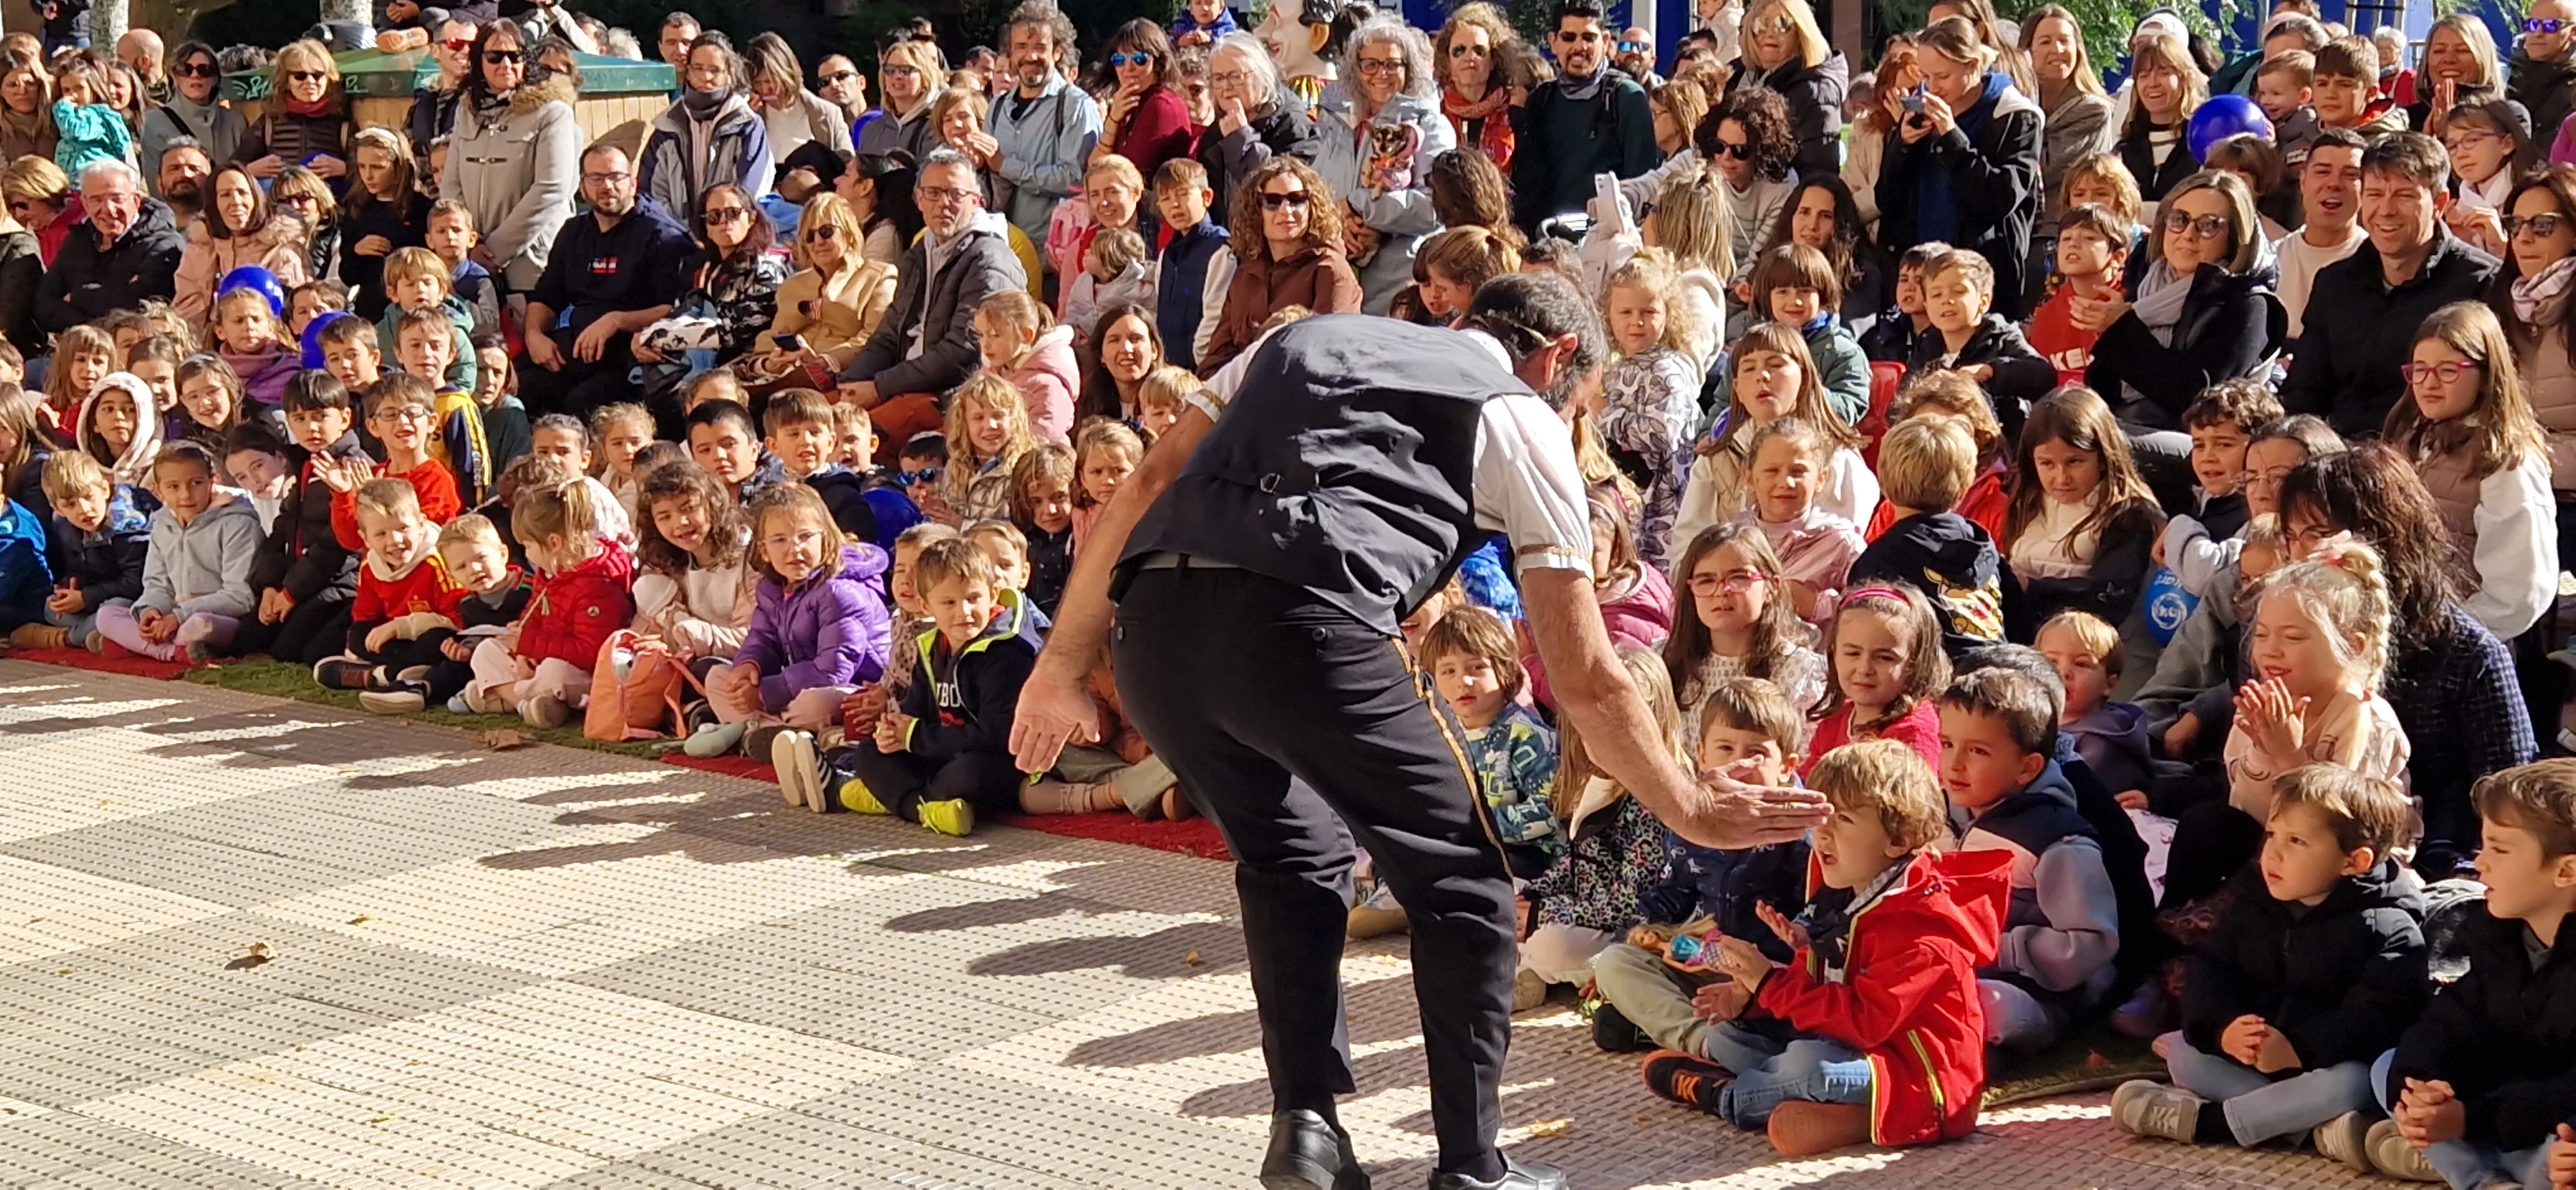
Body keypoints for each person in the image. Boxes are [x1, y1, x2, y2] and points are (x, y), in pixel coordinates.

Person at [1007, 272, 1833, 1190]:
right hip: (1306, 623)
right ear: (1558, 360)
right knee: (1466, 888)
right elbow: (1587, 679)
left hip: (1153, 630)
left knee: (1294, 858)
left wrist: (1057, 666)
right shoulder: (1519, 415)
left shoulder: (1299, 340)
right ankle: (1473, 1168)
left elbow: (1148, 483)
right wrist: (1690, 808)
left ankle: (1307, 1130)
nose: (1576, 420)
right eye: (1584, 402)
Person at [1638, 738, 2012, 1156]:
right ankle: (1819, 1108)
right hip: (1844, 1046)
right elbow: (1816, 985)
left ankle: (1730, 1096)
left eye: (1844, 819)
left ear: (1898, 838)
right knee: (1730, 1036)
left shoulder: (1922, 930)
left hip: (1915, 1080)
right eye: (1822, 816)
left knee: (1808, 1065)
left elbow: (1865, 1022)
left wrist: (1770, 985)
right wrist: (1753, 997)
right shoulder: (1844, 894)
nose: (1824, 832)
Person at [2109, 765, 2424, 1158]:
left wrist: (2298, 1049)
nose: (2273, 852)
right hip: (2257, 1058)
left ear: (2354, 861)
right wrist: (2225, 1029)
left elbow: (2376, 1020)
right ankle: (2315, 1129)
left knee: (2354, 1083)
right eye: (2273, 834)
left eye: (2297, 841)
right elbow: (2212, 970)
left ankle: (2211, 1123)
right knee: (2186, 1056)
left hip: (2325, 1064)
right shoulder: (2253, 900)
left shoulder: (2389, 927)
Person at [2280, 444, 2535, 876]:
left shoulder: (2469, 654)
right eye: (2291, 537)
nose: (2301, 556)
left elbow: (2508, 791)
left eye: (2318, 535)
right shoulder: (2280, 634)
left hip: (2429, 855)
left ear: (2382, 536)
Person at [2368, 759, 2576, 1186]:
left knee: (2561, 1159)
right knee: (2388, 1067)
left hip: (2548, 1119)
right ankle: (2483, 1171)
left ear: (2566, 870)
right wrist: (2423, 1090)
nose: (2480, 865)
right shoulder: (2492, 933)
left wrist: (2471, 1118)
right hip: (2497, 1104)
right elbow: (2447, 1023)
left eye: (2500, 850)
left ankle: (2461, 1164)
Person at [2282, 133, 2503, 438]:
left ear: (2439, 203)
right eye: (2374, 195)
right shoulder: (2335, 283)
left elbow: (2490, 402)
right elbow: (2304, 394)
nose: (2386, 210)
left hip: (2434, 451)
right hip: (2337, 451)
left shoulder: (2481, 282)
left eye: (2404, 195)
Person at [835, 148, 1025, 461]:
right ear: (918, 199)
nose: (943, 203)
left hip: (951, 396)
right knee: (817, 415)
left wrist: (880, 387)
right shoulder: (919, 254)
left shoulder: (989, 259)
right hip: (901, 382)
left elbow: (964, 352)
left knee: (852, 441)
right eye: (933, 193)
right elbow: (889, 334)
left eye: (955, 194)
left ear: (977, 201)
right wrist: (851, 385)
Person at [2383, 301, 2557, 641]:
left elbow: (2519, 591)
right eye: (2420, 369)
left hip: (2460, 644)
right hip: (2408, 635)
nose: (2429, 383)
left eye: (2448, 371)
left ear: (2486, 376)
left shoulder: (2506, 463)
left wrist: (2452, 635)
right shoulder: (2412, 441)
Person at [2083, 171, 2284, 448]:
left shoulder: (2247, 304)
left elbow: (2196, 398)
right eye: (2179, 220)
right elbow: (2107, 384)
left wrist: (2124, 329)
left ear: (2235, 236)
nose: (2188, 235)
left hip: (2201, 441)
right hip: (2127, 423)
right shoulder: (2146, 284)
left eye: (2208, 225)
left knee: (2097, 446)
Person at [1877, 16, 2044, 320]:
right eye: (1925, 76)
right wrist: (1902, 145)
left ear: (1973, 66)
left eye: (1943, 76)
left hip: (1980, 280)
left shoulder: (2015, 116)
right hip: (1920, 275)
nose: (1932, 88)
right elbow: (1887, 200)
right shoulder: (1920, 109)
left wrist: (1952, 138)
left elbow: (2000, 199)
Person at [518, 143, 693, 424]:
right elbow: (547, 296)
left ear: (633, 183)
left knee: (580, 405)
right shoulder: (574, 231)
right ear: (582, 186)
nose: (607, 186)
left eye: (615, 177)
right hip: (577, 349)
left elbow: (674, 309)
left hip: (631, 356)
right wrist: (534, 335)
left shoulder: (662, 235)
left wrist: (616, 321)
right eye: (596, 178)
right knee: (517, 388)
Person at [1309, 15, 1454, 313]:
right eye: (1370, 64)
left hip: (1400, 280)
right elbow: (1316, 194)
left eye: (1392, 64)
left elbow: (1435, 207)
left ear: (1408, 69)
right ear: (1356, 70)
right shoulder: (1336, 124)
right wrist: (1340, 223)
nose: (1381, 74)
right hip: (1336, 276)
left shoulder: (1430, 126)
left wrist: (1359, 207)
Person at [442, 19, 580, 294]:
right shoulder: (466, 111)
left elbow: (552, 188)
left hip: (533, 263)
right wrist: (470, 243)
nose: (505, 64)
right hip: (474, 262)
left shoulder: (552, 113)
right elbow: (451, 184)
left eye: (514, 56)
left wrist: (496, 250)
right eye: (495, 57)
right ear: (479, 61)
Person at [91, 442, 259, 662]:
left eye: (196, 483)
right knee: (107, 614)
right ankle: (174, 652)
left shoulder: (237, 523)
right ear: (157, 490)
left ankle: (144, 646)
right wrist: (151, 611)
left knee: (199, 624)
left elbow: (241, 597)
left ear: (213, 481)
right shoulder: (162, 526)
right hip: (174, 616)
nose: (186, 495)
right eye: (173, 487)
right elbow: (157, 585)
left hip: (222, 618)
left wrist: (180, 616)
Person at [1198, 157, 1361, 373]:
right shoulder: (1245, 275)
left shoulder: (1331, 269)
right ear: (1256, 212)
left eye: (1297, 200)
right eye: (1273, 202)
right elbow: (1216, 359)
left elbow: (1329, 357)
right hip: (1240, 389)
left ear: (1312, 206)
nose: (1286, 210)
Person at [1511, 0, 1657, 235]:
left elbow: (1642, 185)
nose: (1580, 47)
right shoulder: (1541, 99)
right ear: (1553, 42)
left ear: (1606, 41)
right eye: (1569, 37)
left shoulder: (1626, 97)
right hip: (1545, 241)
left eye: (1589, 37)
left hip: (1606, 242)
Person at [980, 2, 1103, 265]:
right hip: (999, 250)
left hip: (1052, 257)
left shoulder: (1075, 106)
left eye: (1040, 47)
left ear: (1057, 52)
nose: (1030, 56)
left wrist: (1006, 166)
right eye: (1021, 47)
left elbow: (1074, 180)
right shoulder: (997, 107)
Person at [739, 193, 895, 390]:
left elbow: (874, 338)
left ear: (848, 232)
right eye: (810, 236)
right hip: (784, 379)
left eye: (826, 232)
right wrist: (768, 364)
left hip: (843, 380)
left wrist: (823, 361)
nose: (818, 242)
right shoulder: (793, 285)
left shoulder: (878, 277)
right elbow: (774, 337)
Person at [2022, 6, 2116, 308]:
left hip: (2059, 230)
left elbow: (2042, 168)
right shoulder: (2016, 103)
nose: (2058, 50)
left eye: (2065, 41)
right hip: (2018, 227)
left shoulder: (2092, 110)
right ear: (2027, 52)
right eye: (2046, 41)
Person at [35, 161, 182, 336]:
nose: (108, 209)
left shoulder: (164, 245)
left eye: (117, 199)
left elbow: (138, 306)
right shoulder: (77, 241)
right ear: (85, 204)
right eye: (96, 200)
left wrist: (77, 296)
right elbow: (44, 304)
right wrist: (93, 328)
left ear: (136, 201)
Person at [639, 33, 772, 225]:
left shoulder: (747, 126)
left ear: (729, 73)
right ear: (688, 70)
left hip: (729, 231)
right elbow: (651, 194)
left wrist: (716, 227)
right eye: (698, 68)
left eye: (714, 70)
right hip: (674, 236)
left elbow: (750, 191)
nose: (705, 77)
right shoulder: (668, 126)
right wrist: (677, 233)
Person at [1195, 32, 1320, 222]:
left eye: (1236, 76)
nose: (1226, 87)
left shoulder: (1291, 123)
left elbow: (1277, 188)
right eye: (1218, 78)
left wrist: (1240, 138)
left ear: (1260, 76)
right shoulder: (1219, 127)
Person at [172, 167, 310, 333]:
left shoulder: (283, 252)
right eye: (225, 195)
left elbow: (295, 313)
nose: (236, 201)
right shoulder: (199, 250)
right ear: (214, 203)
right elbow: (185, 313)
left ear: (256, 198)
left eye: (242, 193)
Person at [1728, 0, 1844, 178]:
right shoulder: (1737, 77)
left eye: (1782, 25)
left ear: (1801, 33)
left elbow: (1818, 173)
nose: (1770, 34)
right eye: (1760, 25)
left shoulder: (1815, 92)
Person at [2275, 127, 2369, 345]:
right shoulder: (2272, 259)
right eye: (2322, 172)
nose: (2334, 184)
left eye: (2351, 175)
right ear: (2303, 181)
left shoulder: (2381, 265)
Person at [232, 40, 350, 186]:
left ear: (328, 80)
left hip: (325, 198)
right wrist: (250, 170)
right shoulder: (269, 123)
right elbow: (231, 168)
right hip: (279, 197)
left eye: (317, 75)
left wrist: (345, 169)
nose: (310, 81)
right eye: (300, 76)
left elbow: (369, 169)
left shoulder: (343, 125)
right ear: (287, 81)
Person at [744, 32, 851, 181]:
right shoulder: (751, 114)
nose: (765, 90)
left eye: (770, 81)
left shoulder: (826, 113)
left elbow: (848, 165)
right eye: (757, 83)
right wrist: (747, 122)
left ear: (786, 74)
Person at [141, 40, 243, 181]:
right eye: (186, 70)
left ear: (215, 79)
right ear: (176, 77)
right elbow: (155, 182)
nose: (195, 75)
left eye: (204, 70)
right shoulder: (155, 122)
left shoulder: (235, 122)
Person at [1434, 3, 1519, 173]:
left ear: (1493, 61)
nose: (1469, 57)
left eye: (1479, 51)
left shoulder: (1513, 112)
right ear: (1447, 61)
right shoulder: (1436, 114)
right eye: (1459, 51)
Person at [855, 35, 945, 162]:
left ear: (925, 77)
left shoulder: (938, 125)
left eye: (906, 70)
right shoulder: (871, 130)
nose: (897, 76)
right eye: (890, 70)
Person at [401, 17, 478, 159]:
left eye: (473, 46)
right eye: (456, 44)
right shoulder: (422, 99)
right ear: (435, 51)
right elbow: (406, 149)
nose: (466, 51)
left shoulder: (484, 98)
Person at [2516, 0, 2576, 159]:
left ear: (2574, 33)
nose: (2538, 33)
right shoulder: (2510, 77)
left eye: (2550, 26)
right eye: (2532, 25)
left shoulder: (2572, 90)